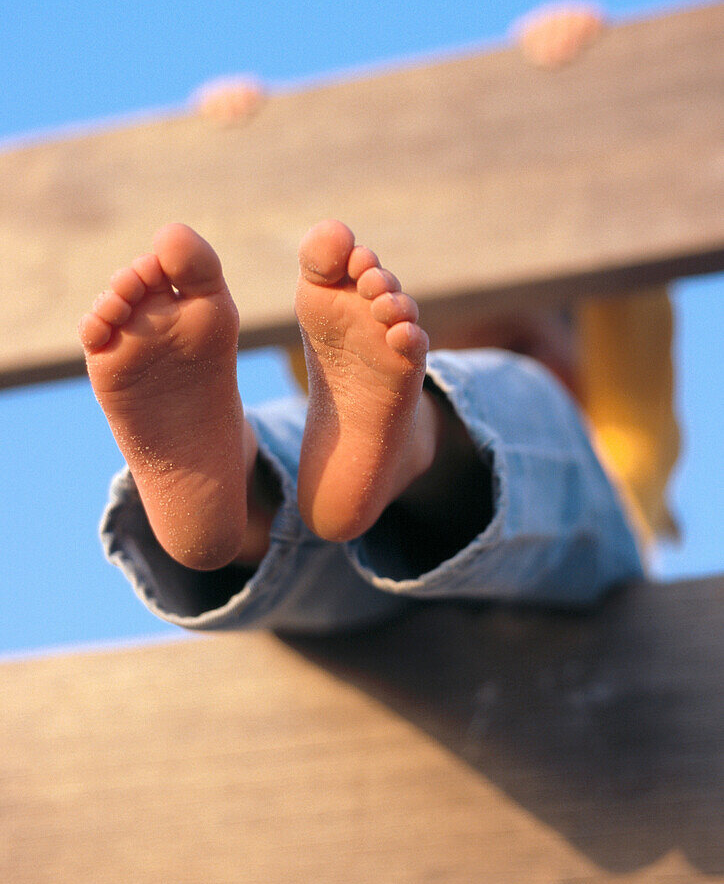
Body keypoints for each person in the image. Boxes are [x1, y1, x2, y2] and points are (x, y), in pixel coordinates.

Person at [79, 219, 643, 635]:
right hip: (366, 597)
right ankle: (254, 500)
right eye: (432, 352)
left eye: (516, 343)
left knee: (527, 411)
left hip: (557, 571)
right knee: (321, 464)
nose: (468, 359)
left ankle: (403, 439)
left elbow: (632, 303)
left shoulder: (621, 434)